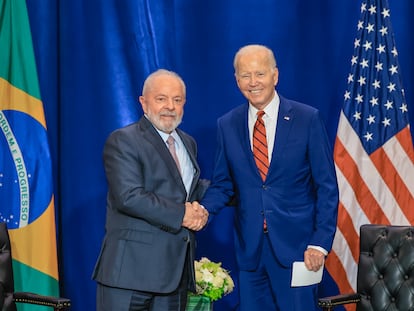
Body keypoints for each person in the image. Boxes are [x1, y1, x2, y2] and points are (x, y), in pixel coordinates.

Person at [201, 44, 339, 311]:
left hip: (300, 250)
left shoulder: (307, 118)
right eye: (245, 75)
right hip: (250, 252)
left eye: (260, 74)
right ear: (236, 80)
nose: (253, 82)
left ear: (275, 75)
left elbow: (327, 187)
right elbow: (223, 184)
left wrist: (320, 243)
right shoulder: (226, 124)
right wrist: (204, 209)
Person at [92, 69, 209, 311]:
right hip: (130, 276)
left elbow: (188, 191)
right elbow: (129, 196)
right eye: (161, 99)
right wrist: (183, 214)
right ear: (143, 103)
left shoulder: (188, 143)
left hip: (174, 276)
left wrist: (209, 205)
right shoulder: (123, 140)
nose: (170, 106)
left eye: (177, 100)